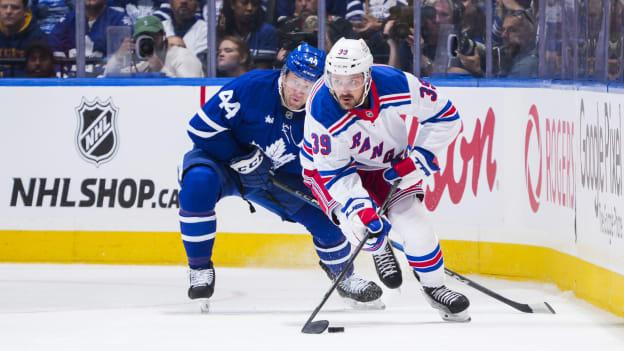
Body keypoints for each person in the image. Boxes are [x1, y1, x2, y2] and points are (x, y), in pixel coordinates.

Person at [177, 42, 402, 311]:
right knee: (197, 182)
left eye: (309, 85)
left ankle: (346, 277)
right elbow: (199, 128)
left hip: (280, 177)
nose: (299, 91)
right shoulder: (251, 87)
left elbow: (336, 167)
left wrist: (353, 206)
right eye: (295, 80)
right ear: (283, 73)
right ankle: (200, 269)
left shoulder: (328, 113)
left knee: (327, 216)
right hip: (227, 164)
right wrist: (239, 154)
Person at [301, 38, 470, 322]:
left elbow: (447, 116)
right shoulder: (321, 108)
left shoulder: (396, 83)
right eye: (336, 80)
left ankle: (434, 287)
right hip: (329, 170)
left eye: (352, 81)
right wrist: (360, 207)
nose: (343, 90)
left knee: (417, 226)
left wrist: (420, 157)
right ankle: (378, 247)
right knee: (360, 227)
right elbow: (334, 171)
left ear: (367, 76)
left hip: (387, 165)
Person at [48, 0, 132, 77]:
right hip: (71, 84)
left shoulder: (119, 21)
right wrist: (62, 78)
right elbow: (55, 51)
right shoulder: (68, 20)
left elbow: (123, 58)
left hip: (106, 85)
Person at [104, 15, 204, 77]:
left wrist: (161, 69)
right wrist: (118, 58)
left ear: (163, 35)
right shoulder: (144, 64)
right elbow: (108, 77)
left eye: (152, 36)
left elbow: (190, 93)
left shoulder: (182, 57)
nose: (148, 41)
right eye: (142, 37)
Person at [218, 0, 277, 69]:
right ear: (232, 5)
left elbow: (261, 72)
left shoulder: (267, 32)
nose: (250, 8)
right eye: (244, 3)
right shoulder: (223, 31)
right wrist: (221, 34)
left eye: (255, 4)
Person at [0, 0, 48, 77]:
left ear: (25, 11)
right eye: (4, 7)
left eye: (15, 8)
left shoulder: (38, 38)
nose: (8, 11)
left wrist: (4, 74)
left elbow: (39, 74)